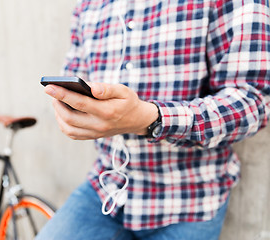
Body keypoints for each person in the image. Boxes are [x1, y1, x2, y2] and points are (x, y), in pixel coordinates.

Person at [37, 0, 270, 239]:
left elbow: (253, 102)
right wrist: (72, 108)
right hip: (107, 186)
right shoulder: (88, 6)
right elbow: (75, 76)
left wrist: (152, 119)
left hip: (191, 198)